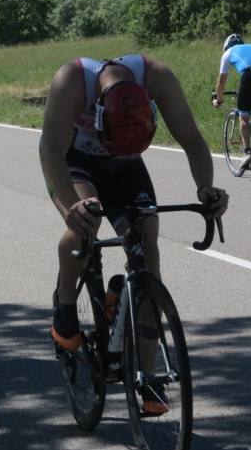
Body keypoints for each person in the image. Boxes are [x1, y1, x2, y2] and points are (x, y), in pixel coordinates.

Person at [39, 53, 228, 414]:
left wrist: (206, 189)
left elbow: (191, 138)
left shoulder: (157, 76)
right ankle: (64, 309)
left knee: (146, 240)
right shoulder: (71, 81)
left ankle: (149, 371)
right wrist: (70, 209)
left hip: (125, 164)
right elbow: (50, 151)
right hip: (74, 160)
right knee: (84, 225)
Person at [211, 33, 251, 174]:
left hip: (249, 76)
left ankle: (248, 153)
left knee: (243, 115)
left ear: (226, 46)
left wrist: (219, 100)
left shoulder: (227, 53)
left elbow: (221, 83)